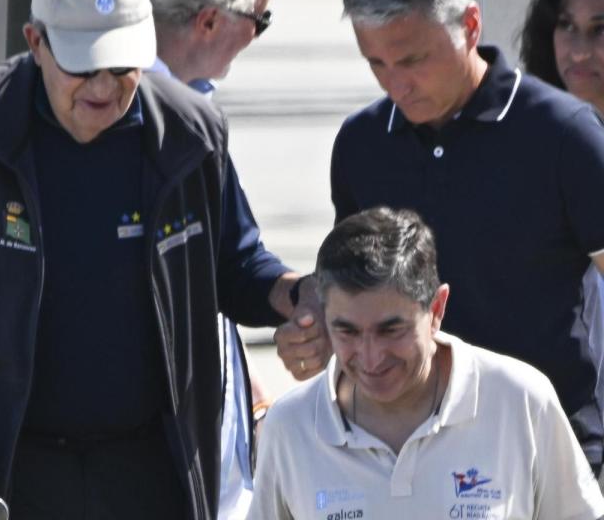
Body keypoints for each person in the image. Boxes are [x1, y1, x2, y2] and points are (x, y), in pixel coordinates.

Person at [0, 0, 312, 517]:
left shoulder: (190, 131)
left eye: (123, 65)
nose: (103, 87)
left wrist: (301, 294)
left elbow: (236, 263)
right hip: (5, 468)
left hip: (151, 469)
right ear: (35, 42)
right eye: (83, 66)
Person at [275, 0, 604, 472]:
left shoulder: (565, 136)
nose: (395, 83)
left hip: (547, 457)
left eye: (412, 59)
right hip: (400, 463)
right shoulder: (361, 143)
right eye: (376, 63)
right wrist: (312, 323)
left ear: (470, 26)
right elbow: (351, 285)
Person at [250, 207, 604, 519]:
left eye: (391, 330)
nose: (371, 356)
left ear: (436, 310)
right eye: (347, 331)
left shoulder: (521, 400)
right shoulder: (291, 425)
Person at [129, 0, 321, 517]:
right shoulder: (135, 118)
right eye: (261, 21)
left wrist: (295, 296)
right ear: (211, 20)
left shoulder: (194, 114)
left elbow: (229, 261)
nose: (259, 36)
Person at [519, 0, 604, 411]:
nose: (578, 49)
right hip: (562, 423)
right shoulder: (531, 142)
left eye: (600, 29)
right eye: (566, 25)